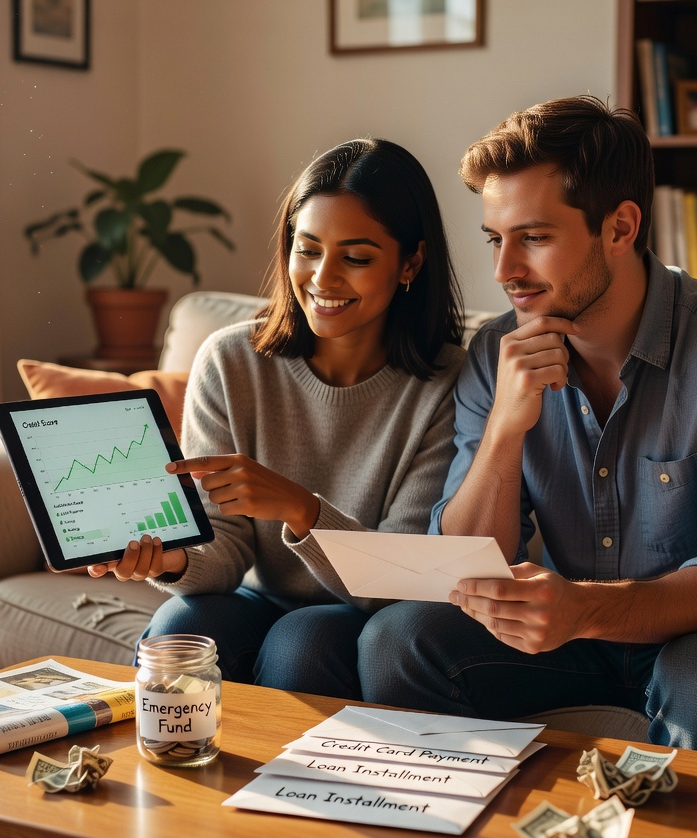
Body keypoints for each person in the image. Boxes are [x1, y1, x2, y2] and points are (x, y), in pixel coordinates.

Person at [358, 96, 697, 761]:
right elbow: (465, 569)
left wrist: (583, 608)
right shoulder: (497, 351)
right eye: (496, 240)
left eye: (534, 237)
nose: (504, 272)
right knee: (396, 640)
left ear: (620, 226)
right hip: (573, 637)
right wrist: (505, 429)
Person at [87, 138, 466, 700]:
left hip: (360, 612)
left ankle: (289, 791)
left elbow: (398, 582)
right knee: (178, 633)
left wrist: (299, 507)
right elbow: (223, 552)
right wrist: (167, 559)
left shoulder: (449, 385)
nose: (322, 278)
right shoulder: (230, 360)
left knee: (302, 641)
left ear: (410, 261)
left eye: (356, 258)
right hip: (253, 595)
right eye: (307, 249)